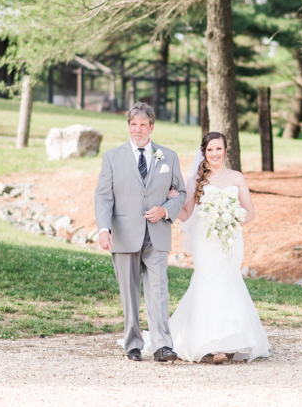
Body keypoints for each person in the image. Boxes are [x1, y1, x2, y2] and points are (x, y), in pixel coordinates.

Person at [94, 103, 187, 362]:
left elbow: (181, 193)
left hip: (157, 234)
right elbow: (103, 197)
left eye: (143, 125)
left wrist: (165, 210)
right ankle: (133, 344)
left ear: (152, 127)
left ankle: (162, 346)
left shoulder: (168, 156)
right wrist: (104, 229)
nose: (138, 129)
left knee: (158, 292)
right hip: (124, 234)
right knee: (130, 293)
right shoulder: (112, 157)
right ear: (129, 127)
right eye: (133, 124)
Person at [168, 131, 270, 363]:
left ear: (226, 151)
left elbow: (250, 213)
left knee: (229, 281)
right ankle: (210, 344)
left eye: (219, 149)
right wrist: (174, 198)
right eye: (210, 149)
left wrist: (228, 221)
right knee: (208, 281)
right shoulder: (196, 178)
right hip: (204, 240)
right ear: (204, 152)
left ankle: (230, 340)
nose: (214, 153)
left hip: (230, 240)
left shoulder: (236, 177)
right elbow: (185, 215)